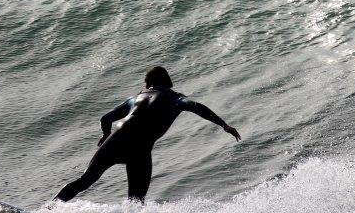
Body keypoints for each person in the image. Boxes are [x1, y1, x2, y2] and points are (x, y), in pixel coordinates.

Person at [54, 66, 241, 203]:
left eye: (145, 83)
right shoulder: (174, 98)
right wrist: (223, 125)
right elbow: (196, 107)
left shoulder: (134, 99)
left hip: (116, 141)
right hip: (140, 149)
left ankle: (48, 210)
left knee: (84, 181)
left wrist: (106, 135)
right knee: (136, 201)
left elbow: (106, 118)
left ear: (150, 82)